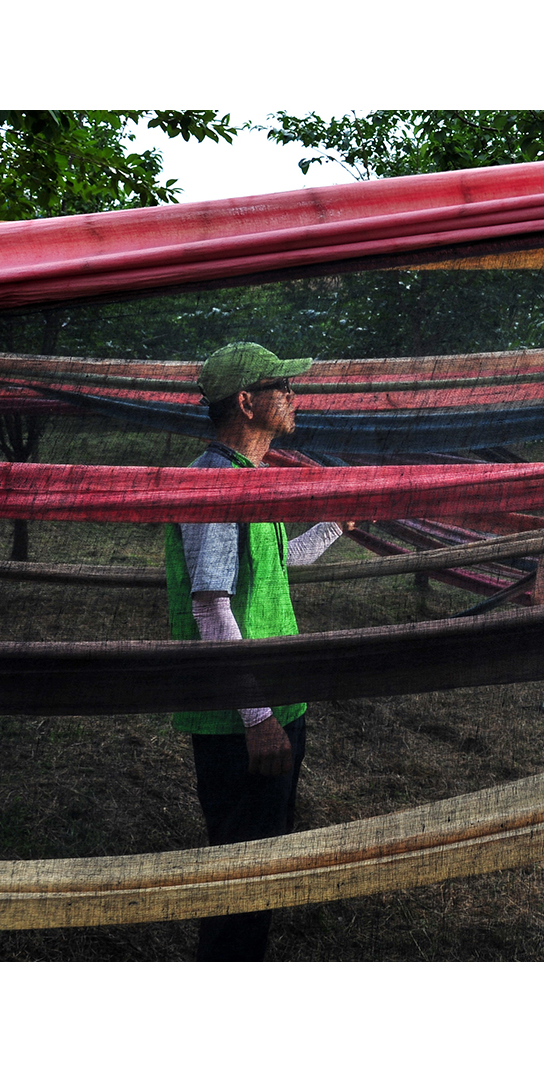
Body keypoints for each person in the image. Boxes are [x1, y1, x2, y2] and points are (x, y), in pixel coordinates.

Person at [164, 341, 349, 961]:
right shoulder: (215, 487)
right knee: (241, 879)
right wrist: (258, 718)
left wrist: (334, 525)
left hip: (274, 703)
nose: (295, 398)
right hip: (241, 719)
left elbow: (277, 562)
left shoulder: (248, 478)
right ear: (247, 402)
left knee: (262, 863)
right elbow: (210, 606)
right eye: (282, 388)